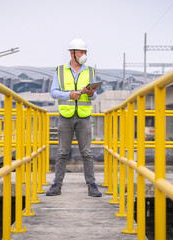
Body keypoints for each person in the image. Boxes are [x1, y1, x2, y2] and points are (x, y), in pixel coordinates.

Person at [46, 38, 102, 197]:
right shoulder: (60, 70)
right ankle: (57, 185)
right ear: (72, 53)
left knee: (87, 153)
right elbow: (53, 92)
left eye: (85, 52)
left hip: (84, 116)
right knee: (62, 152)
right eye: (81, 52)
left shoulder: (90, 71)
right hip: (66, 116)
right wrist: (69, 95)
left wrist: (91, 94)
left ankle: (92, 186)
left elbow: (95, 95)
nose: (84, 54)